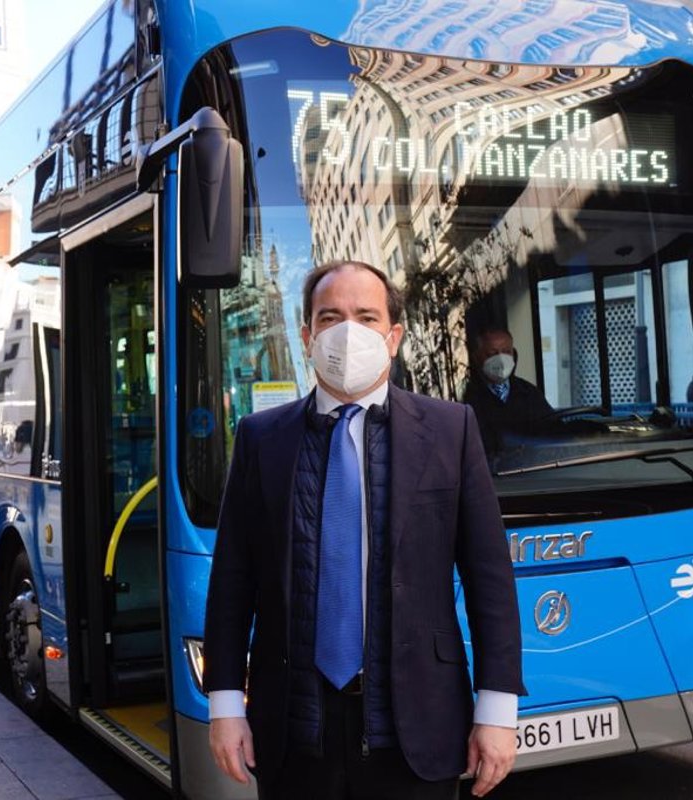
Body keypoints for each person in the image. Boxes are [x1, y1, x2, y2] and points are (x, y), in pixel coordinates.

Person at [205, 261, 524, 800]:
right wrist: (226, 704)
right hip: (293, 731)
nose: (348, 333)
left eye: (367, 317)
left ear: (393, 337)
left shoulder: (451, 430)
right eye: (330, 318)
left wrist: (497, 709)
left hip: (417, 726)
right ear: (307, 336)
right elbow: (233, 581)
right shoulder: (261, 438)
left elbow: (488, 577)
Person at [462, 328, 554, 453]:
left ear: (513, 354)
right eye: (492, 354)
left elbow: (552, 429)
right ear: (476, 357)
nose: (500, 359)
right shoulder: (468, 400)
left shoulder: (528, 392)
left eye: (506, 352)